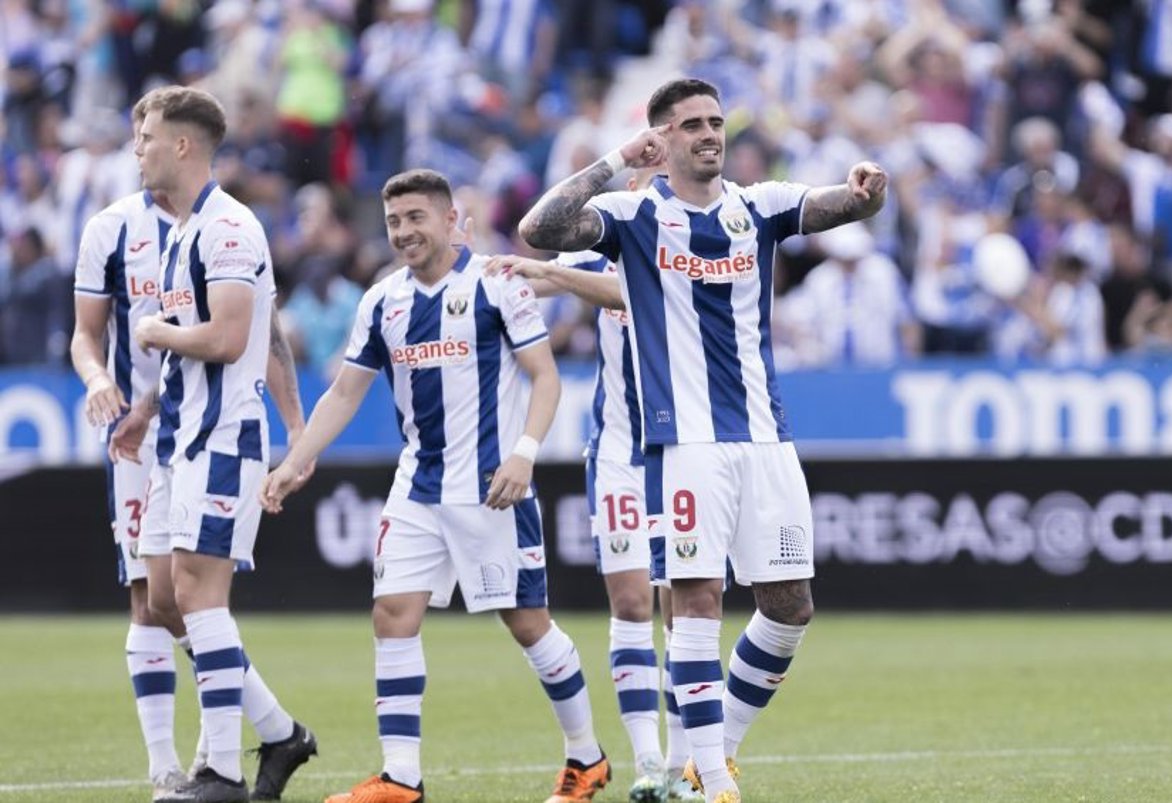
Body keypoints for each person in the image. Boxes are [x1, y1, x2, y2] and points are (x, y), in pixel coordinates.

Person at [519, 77, 888, 803]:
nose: (710, 134)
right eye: (690, 124)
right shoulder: (632, 214)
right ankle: (713, 783)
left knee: (790, 607)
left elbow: (840, 205)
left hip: (766, 440)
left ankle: (711, 759)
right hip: (684, 446)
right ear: (661, 139)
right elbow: (541, 228)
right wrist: (615, 160)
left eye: (715, 121)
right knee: (695, 603)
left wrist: (865, 191)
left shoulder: (759, 206)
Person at [260, 168, 609, 803]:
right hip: (418, 485)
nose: (403, 232)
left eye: (416, 217)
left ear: (450, 220)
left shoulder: (497, 285)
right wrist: (294, 461)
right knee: (392, 614)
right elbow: (345, 392)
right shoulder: (382, 300)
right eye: (394, 221)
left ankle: (586, 757)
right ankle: (401, 777)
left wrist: (524, 455)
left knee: (528, 624)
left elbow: (545, 377)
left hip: (492, 487)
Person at [72, 93, 318, 803]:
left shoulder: (229, 228)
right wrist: (144, 409)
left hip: (223, 439)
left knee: (199, 597)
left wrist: (155, 332)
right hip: (175, 438)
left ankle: (221, 772)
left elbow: (234, 339)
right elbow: (189, 355)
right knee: (165, 598)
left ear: (182, 145)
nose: (137, 149)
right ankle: (278, 733)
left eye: (147, 137)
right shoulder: (181, 234)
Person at [487, 167, 704, 803]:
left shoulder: (697, 243)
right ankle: (649, 763)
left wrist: (552, 274)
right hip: (617, 453)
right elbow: (528, 268)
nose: (655, 190)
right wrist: (478, 267)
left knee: (684, 609)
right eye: (646, 177)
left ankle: (686, 766)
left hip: (686, 450)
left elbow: (634, 290)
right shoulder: (598, 249)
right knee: (632, 603)